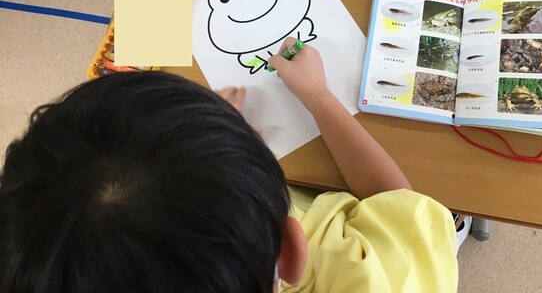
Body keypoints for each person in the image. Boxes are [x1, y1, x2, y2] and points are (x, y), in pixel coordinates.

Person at [0, 38, 459, 293]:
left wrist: (205, 135)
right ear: (289, 251)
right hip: (350, 214)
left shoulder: (40, 265)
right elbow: (399, 203)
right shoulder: (373, 282)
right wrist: (319, 97)